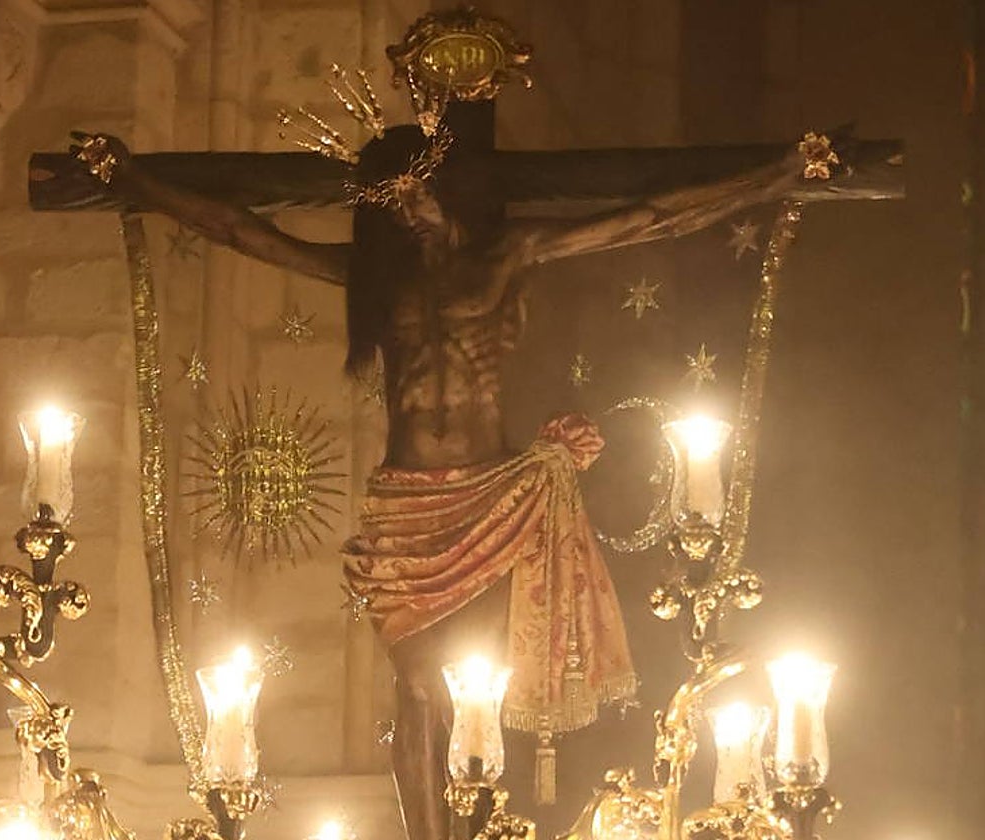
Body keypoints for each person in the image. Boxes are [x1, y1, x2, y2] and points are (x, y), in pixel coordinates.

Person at [72, 123, 806, 840]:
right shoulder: (375, 278)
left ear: (451, 189)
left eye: (417, 190)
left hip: (491, 494)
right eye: (392, 199)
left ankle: (472, 825)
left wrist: (775, 178)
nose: (408, 208)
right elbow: (239, 231)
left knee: (470, 681)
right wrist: (132, 180)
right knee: (417, 686)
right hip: (406, 502)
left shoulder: (508, 257)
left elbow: (646, 219)